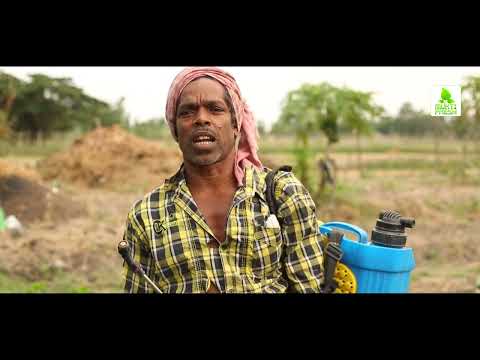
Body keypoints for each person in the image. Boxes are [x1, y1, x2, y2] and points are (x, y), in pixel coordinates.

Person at [121, 67, 324, 293]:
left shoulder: (282, 194)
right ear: (175, 129)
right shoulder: (147, 215)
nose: (201, 119)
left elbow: (310, 287)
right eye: (187, 112)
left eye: (215, 109)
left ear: (236, 124)